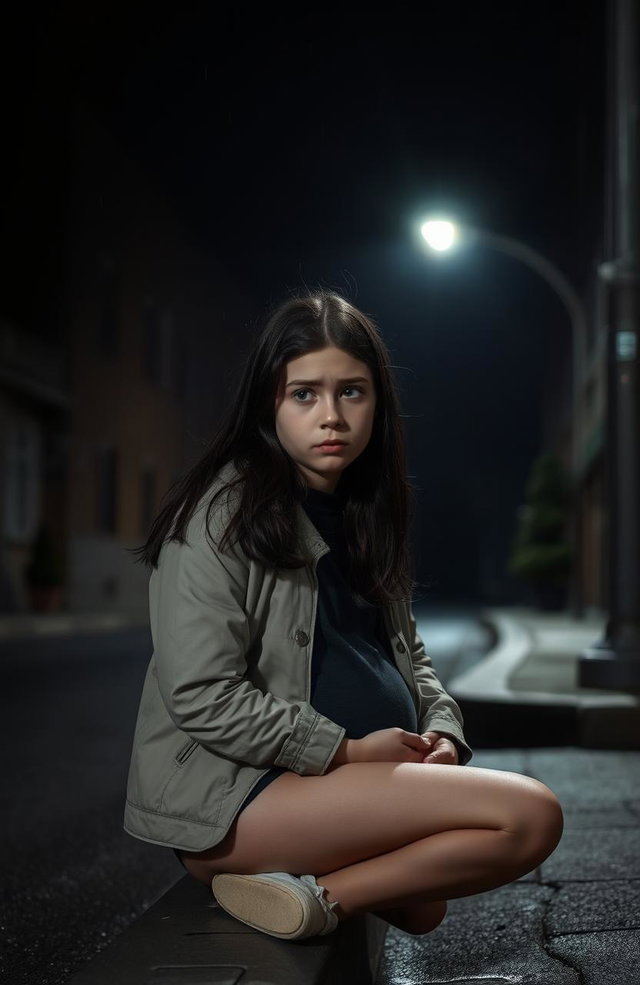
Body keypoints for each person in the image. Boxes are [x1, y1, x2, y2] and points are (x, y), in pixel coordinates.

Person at [124, 289, 563, 942]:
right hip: (241, 797)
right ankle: (320, 898)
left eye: (351, 392)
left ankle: (299, 884)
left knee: (425, 904)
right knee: (530, 815)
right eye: (305, 393)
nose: (331, 416)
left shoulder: (359, 510)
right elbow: (201, 693)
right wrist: (347, 750)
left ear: (377, 402)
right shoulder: (221, 517)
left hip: (323, 784)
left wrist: (443, 731)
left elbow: (409, 654)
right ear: (268, 401)